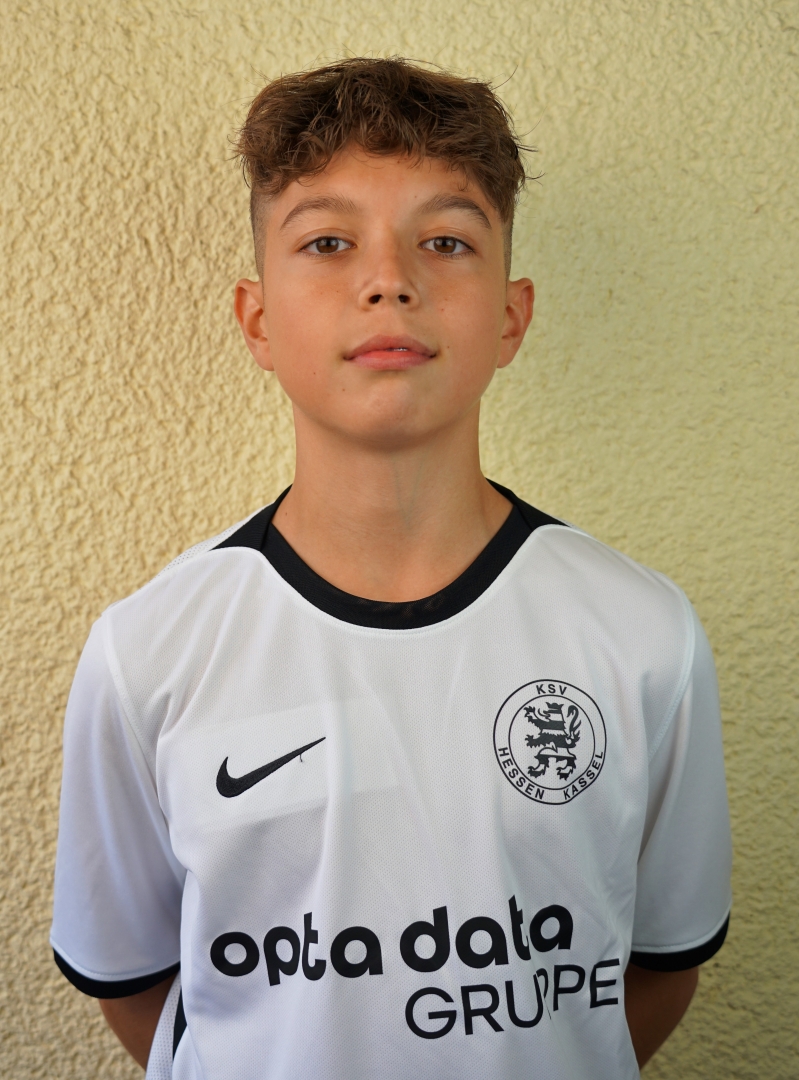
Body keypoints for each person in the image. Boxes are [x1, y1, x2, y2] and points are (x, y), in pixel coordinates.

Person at [50, 57, 732, 1080]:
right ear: (257, 320)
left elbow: (659, 969)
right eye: (328, 242)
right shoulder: (148, 653)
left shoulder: (641, 636)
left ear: (510, 317)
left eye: (445, 241)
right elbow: (138, 985)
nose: (389, 280)